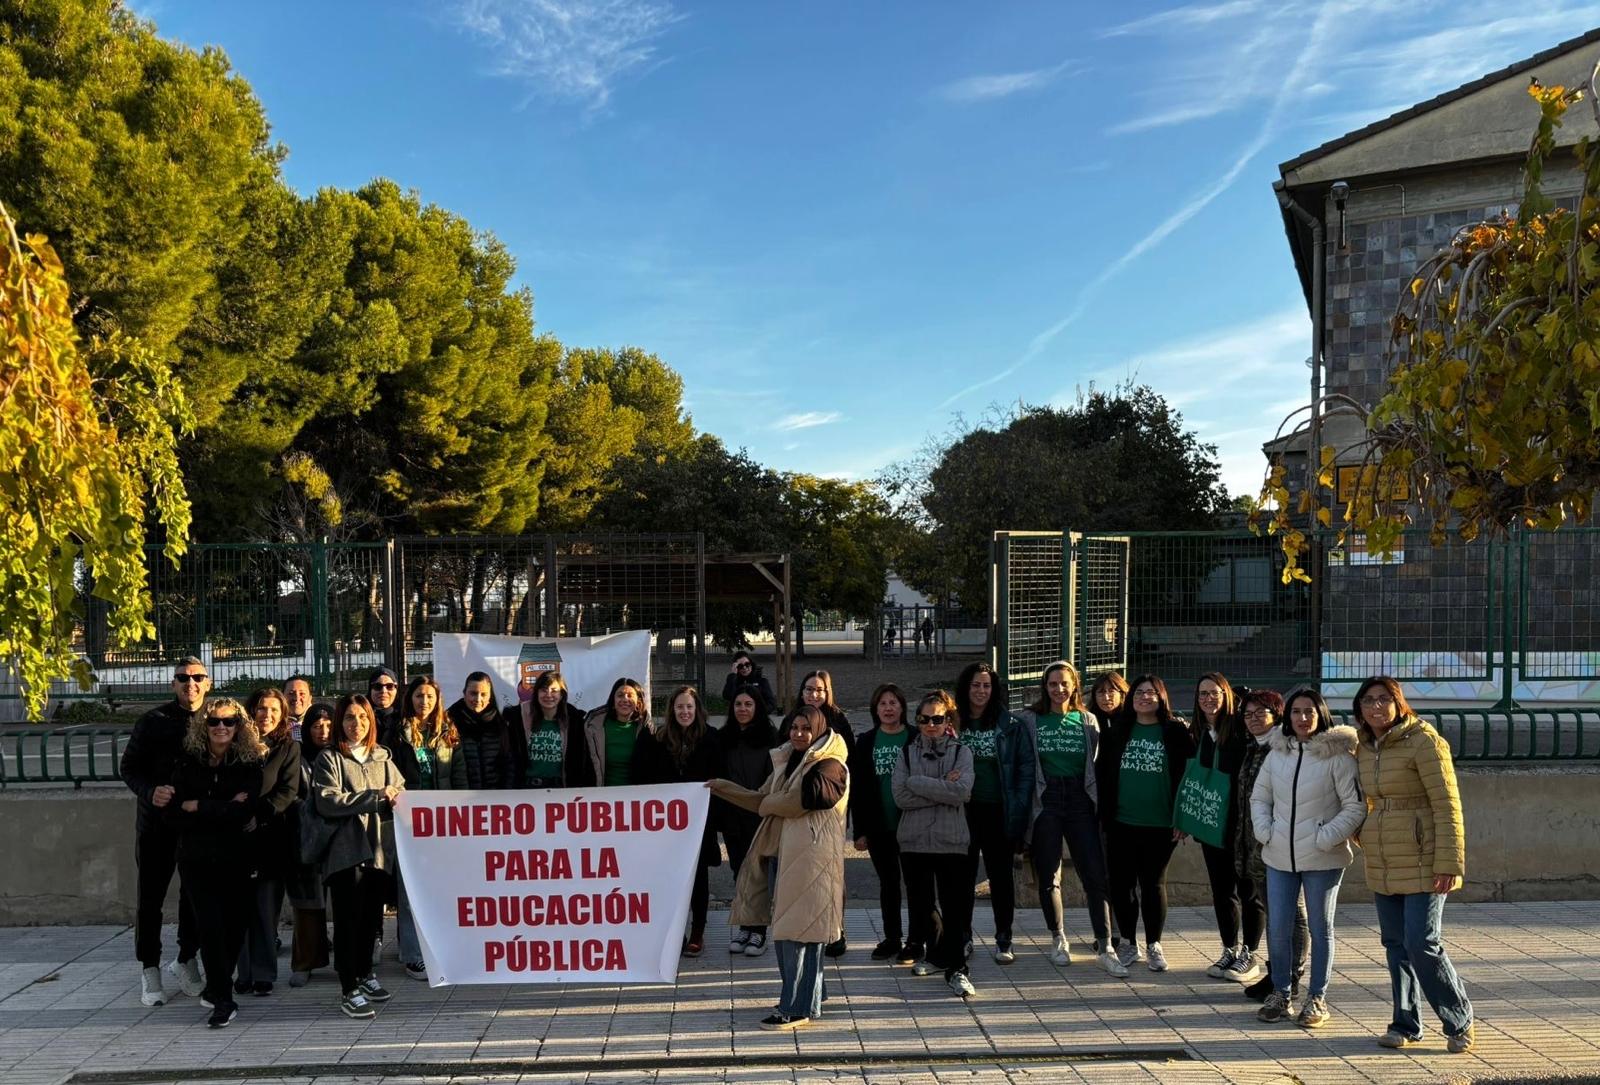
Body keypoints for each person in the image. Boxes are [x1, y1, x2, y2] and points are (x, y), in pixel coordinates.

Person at [1354, 676, 1475, 1054]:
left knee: (1422, 943)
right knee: (1395, 945)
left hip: (1425, 858)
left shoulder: (1425, 741)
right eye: (1368, 700)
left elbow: (1447, 806)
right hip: (1384, 858)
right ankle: (1405, 1023)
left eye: (1384, 699)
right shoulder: (1361, 746)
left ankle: (1459, 1020)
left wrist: (1450, 863)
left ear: (1398, 703)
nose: (1376, 707)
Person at [710, 705, 849, 1031]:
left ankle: (796, 1008)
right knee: (793, 930)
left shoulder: (831, 765)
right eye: (794, 727)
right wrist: (721, 788)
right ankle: (810, 996)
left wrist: (770, 805)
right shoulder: (790, 761)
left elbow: (803, 801)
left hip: (812, 860)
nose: (798, 733)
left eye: (805, 728)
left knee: (798, 933)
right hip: (784, 856)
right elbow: (762, 799)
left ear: (819, 730)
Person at [1251, 687, 1365, 1028]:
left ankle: (1317, 997)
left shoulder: (1339, 757)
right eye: (1297, 711)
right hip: (1278, 856)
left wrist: (1325, 837)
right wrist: (1265, 830)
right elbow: (1261, 797)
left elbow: (1355, 806)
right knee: (1279, 926)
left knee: (1320, 927)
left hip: (1323, 858)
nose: (1302, 718)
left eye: (1309, 711)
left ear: (1322, 715)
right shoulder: (1277, 754)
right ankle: (1282, 993)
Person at [166, 696, 264, 1028]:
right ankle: (223, 998)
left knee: (235, 926)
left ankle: (217, 985)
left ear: (239, 726)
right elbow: (177, 812)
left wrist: (202, 806)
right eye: (214, 722)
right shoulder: (187, 762)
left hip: (238, 855)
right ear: (203, 726)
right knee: (209, 928)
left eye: (228, 722)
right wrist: (222, 806)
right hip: (196, 858)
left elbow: (245, 811)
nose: (221, 727)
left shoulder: (249, 763)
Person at [1023, 661, 1127, 976]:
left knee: (1094, 873)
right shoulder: (1030, 720)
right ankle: (1058, 938)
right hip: (1047, 801)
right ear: (1045, 686)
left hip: (1081, 800)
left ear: (1074, 686)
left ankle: (1105, 944)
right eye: (1052, 684)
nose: (1058, 690)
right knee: (1049, 875)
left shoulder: (1087, 720)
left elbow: (1099, 760)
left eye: (1064, 684)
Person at [120, 656, 210, 1007]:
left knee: (193, 896)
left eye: (198, 677)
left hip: (195, 826)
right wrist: (150, 790)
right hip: (155, 826)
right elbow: (129, 768)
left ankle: (187, 959)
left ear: (209, 682)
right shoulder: (152, 721)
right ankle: (150, 968)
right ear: (173, 683)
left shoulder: (216, 719)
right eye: (183, 678)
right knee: (151, 900)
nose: (191, 683)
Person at [314, 694, 405, 1020]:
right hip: (346, 853)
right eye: (350, 718)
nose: (357, 724)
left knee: (371, 920)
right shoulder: (330, 759)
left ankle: (366, 974)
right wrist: (374, 797)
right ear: (341, 722)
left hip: (380, 851)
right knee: (348, 922)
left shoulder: (383, 758)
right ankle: (348, 986)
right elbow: (328, 801)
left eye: (363, 718)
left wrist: (396, 797)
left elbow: (401, 791)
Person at [1098, 674, 1196, 972]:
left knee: (1153, 884)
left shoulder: (1175, 732)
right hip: (1121, 822)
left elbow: (1188, 776)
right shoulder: (1117, 732)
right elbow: (1103, 777)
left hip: (1161, 824)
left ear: (1162, 697)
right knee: (1122, 885)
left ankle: (1154, 943)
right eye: (1139, 692)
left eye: (1152, 692)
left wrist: (1182, 818)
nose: (1145, 697)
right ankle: (1129, 942)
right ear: (1131, 698)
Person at [893, 691, 977, 998]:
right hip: (913, 841)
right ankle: (938, 955)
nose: (931, 725)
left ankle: (957, 968)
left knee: (953, 907)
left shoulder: (962, 753)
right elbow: (900, 796)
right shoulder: (906, 753)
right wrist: (944, 787)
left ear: (948, 720)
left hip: (951, 840)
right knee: (922, 905)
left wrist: (918, 783)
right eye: (925, 719)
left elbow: (963, 792)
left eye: (938, 719)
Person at [632, 686, 722, 956]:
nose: (685, 712)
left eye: (689, 707)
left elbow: (720, 779)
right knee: (668, 879)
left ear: (698, 710)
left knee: (698, 878)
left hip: (698, 824)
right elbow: (642, 778)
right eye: (680, 707)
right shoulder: (656, 739)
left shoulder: (711, 738)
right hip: (665, 827)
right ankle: (674, 930)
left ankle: (698, 931)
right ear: (672, 710)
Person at [955, 662, 1034, 966]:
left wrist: (1020, 806)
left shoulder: (1010, 725)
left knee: (1000, 878)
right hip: (962, 810)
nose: (981, 691)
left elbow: (1025, 770)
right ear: (966, 687)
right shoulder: (953, 722)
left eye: (986, 686)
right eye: (975, 685)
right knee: (962, 878)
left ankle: (1004, 938)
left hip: (998, 810)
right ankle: (963, 937)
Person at [1233, 690, 1308, 1003]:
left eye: (1259, 713)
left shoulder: (1285, 749)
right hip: (1255, 846)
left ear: (1277, 715)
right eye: (1247, 715)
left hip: (1282, 845)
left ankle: (1290, 975)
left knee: (1292, 914)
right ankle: (1278, 974)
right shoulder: (1254, 747)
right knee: (1277, 913)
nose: (1252, 720)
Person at [1191, 673, 1266, 984]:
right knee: (1222, 891)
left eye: (1215, 692)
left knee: (1248, 890)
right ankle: (1229, 949)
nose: (1209, 698)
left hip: (1243, 824)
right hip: (1212, 821)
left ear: (1226, 694)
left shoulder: (1239, 729)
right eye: (1203, 693)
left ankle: (1250, 953)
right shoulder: (1197, 732)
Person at [391, 676, 464, 981]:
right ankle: (412, 954)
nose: (425, 702)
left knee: (443, 887)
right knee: (410, 890)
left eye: (430, 696)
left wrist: (464, 809)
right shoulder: (398, 733)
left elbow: (459, 773)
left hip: (444, 820)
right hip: (410, 821)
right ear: (411, 700)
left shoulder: (448, 731)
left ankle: (442, 947)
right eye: (419, 696)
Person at [234, 687, 302, 997]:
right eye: (262, 708)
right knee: (239, 909)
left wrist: (258, 815)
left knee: (264, 910)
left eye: (274, 710)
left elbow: (287, 792)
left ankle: (263, 973)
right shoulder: (237, 744)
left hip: (272, 836)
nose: (267, 715)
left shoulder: (289, 748)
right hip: (236, 835)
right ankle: (242, 972)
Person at [846, 684, 915, 962]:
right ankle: (892, 937)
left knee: (916, 884)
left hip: (912, 825)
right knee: (889, 884)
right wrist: (859, 830)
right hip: (879, 826)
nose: (888, 708)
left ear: (902, 707)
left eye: (893, 703)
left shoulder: (915, 737)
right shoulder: (866, 741)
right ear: (876, 710)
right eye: (883, 704)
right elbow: (858, 789)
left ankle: (918, 938)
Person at [796, 670, 854, 957]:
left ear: (828, 692)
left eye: (819, 689)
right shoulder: (795, 718)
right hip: (799, 808)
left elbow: (847, 765)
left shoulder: (839, 722)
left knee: (832, 872)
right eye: (809, 689)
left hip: (831, 807)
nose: (814, 694)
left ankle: (836, 929)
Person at [716, 684, 777, 956]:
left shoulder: (770, 738)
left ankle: (759, 931)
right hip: (732, 817)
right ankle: (745, 924)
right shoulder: (724, 737)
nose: (742, 709)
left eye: (748, 704)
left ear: (757, 708)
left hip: (759, 815)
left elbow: (773, 778)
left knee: (759, 873)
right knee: (739, 871)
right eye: (738, 704)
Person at [287, 703, 336, 987]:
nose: (324, 731)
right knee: (307, 903)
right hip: (306, 836)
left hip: (340, 836)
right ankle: (305, 961)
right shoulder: (297, 755)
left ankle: (347, 961)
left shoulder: (341, 754)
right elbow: (291, 793)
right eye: (317, 726)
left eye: (329, 725)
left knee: (345, 904)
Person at [507, 671, 592, 788]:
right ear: (536, 693)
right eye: (543, 690)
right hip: (528, 789)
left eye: (554, 690)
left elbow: (582, 761)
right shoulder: (518, 718)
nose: (548, 695)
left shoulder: (574, 721)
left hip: (562, 789)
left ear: (562, 694)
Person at [448, 671, 510, 789]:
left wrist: (506, 791)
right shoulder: (450, 723)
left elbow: (509, 763)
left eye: (483, 694)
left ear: (490, 696)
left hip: (496, 797)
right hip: (460, 797)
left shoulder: (500, 724)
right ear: (464, 693)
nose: (478, 698)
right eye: (473, 693)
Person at [585, 676, 650, 786]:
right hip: (602, 798)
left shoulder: (648, 730)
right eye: (620, 695)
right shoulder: (594, 727)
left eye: (630, 695)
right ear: (613, 701)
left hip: (638, 798)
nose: (625, 699)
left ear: (638, 702)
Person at [366, 667, 403, 747]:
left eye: (390, 686)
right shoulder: (362, 716)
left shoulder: (405, 716)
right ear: (370, 690)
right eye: (377, 686)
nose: (383, 691)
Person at [284, 676, 314, 741]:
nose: (296, 698)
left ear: (310, 699)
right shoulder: (274, 724)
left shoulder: (319, 723)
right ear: (282, 697)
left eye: (302, 694)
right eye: (291, 693)